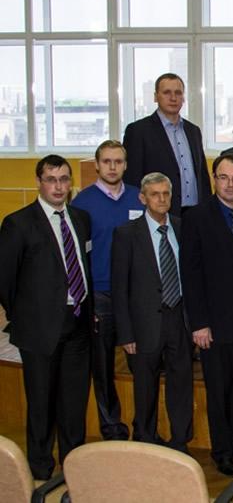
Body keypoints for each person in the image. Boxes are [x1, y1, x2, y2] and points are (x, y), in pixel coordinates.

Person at [0, 155, 92, 480]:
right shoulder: (18, 223)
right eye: (51, 179)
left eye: (64, 179)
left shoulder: (80, 218)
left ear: (71, 183)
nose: (58, 186)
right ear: (39, 182)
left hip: (78, 323)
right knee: (41, 404)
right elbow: (5, 280)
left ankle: (74, 466)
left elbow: (84, 264)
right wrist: (26, 315)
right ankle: (40, 470)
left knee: (74, 403)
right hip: (39, 330)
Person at [180, 154, 233, 477]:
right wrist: (199, 323)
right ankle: (222, 451)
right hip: (213, 322)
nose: (230, 184)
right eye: (223, 177)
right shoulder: (196, 217)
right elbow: (191, 274)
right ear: (214, 179)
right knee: (218, 389)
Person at [111, 172, 193, 453]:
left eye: (166, 193)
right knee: (145, 386)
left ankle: (180, 440)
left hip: (179, 319)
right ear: (143, 198)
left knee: (181, 383)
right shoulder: (126, 234)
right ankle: (145, 439)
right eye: (155, 194)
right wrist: (126, 334)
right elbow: (119, 288)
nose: (161, 199)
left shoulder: (182, 228)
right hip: (144, 324)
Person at [72, 140, 144, 442]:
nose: (113, 167)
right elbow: (77, 256)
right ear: (97, 165)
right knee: (102, 368)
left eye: (118, 161)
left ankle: (145, 426)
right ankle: (112, 427)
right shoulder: (82, 203)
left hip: (136, 295)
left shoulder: (139, 197)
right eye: (106, 161)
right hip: (100, 295)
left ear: (125, 165)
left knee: (143, 365)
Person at [123, 73, 211, 215]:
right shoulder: (138, 131)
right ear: (155, 96)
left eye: (178, 93)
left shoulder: (193, 131)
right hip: (159, 213)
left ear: (183, 97)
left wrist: (207, 209)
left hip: (195, 213)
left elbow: (202, 176)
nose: (173, 98)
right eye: (167, 92)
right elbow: (132, 179)